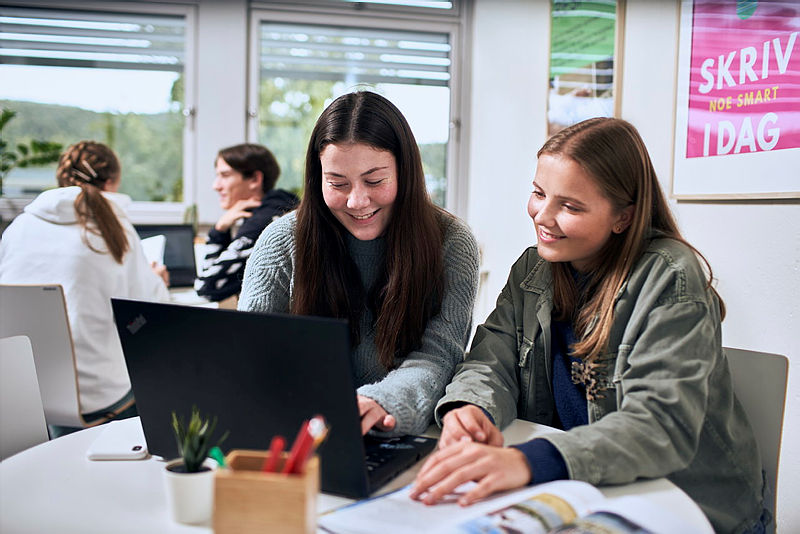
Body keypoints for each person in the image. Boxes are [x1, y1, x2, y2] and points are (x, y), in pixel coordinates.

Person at [410, 118, 766, 534]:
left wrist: (529, 461)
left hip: (685, 503)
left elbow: (658, 425)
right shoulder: (532, 268)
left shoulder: (670, 278)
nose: (543, 216)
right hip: (583, 490)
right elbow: (491, 361)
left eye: (571, 206)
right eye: (539, 193)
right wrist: (470, 410)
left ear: (623, 217)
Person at [239, 91, 480, 436]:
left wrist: (380, 401)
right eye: (337, 183)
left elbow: (439, 357)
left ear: (404, 172)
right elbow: (252, 354)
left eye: (375, 181)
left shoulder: (452, 242)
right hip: (298, 433)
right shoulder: (282, 240)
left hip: (400, 430)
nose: (357, 201)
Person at [0, 140, 170, 435]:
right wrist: (158, 281)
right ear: (111, 182)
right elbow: (147, 313)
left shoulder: (19, 227)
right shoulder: (112, 228)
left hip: (22, 391)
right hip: (98, 397)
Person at [195, 143, 298, 303]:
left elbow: (206, 287)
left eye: (225, 175)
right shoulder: (282, 209)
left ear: (255, 179)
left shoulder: (260, 224)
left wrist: (219, 231)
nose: (216, 186)